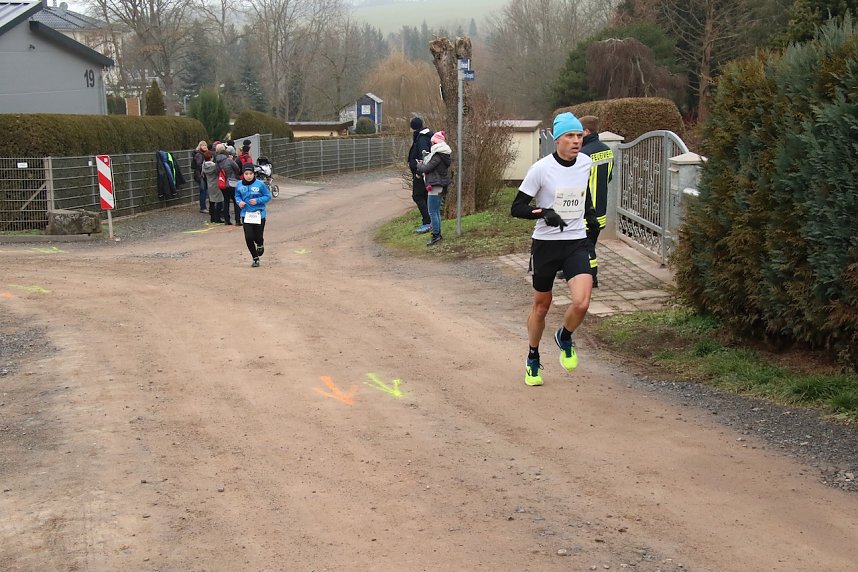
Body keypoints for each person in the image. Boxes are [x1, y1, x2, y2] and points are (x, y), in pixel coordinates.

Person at [510, 112, 600, 386]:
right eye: (570, 136)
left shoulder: (585, 163)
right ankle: (533, 357)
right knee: (541, 306)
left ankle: (565, 335)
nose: (576, 141)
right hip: (546, 245)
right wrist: (543, 213)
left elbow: (582, 194)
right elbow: (517, 208)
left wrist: (591, 213)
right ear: (557, 140)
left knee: (582, 302)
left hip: (576, 241)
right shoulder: (541, 169)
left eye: (579, 135)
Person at [579, 115, 614, 288]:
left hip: (587, 211)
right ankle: (576, 271)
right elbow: (609, 177)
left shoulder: (583, 155)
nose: (576, 138)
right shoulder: (607, 150)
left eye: (579, 134)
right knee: (589, 243)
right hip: (601, 208)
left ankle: (592, 278)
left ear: (586, 131)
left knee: (586, 246)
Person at [416, 130, 452, 246]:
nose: (431, 145)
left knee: (432, 211)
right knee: (435, 211)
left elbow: (426, 169)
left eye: (432, 143)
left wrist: (419, 164)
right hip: (440, 186)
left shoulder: (437, 156)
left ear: (436, 143)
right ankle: (438, 234)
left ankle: (436, 235)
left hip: (436, 186)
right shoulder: (443, 155)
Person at [235, 162, 272, 267]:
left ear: (253, 174)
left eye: (250, 173)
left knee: (258, 236)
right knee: (249, 237)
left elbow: (268, 196)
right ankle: (255, 258)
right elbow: (237, 196)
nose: (248, 176)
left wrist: (257, 200)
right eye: (246, 173)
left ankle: (260, 243)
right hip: (246, 215)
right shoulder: (239, 184)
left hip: (259, 214)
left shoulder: (260, 184)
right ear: (243, 174)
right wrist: (239, 202)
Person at [407, 116, 434, 234]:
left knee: (417, 196)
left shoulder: (422, 138)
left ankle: (428, 221)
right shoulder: (422, 136)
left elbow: (424, 156)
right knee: (425, 195)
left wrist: (419, 172)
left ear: (412, 127)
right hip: (423, 172)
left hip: (421, 173)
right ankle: (430, 220)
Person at [217, 144, 241, 225]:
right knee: (236, 201)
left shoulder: (216, 162)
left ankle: (227, 220)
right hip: (232, 182)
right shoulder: (229, 160)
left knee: (226, 201)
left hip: (222, 184)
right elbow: (237, 168)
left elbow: (216, 172)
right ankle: (238, 220)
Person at [201, 150, 225, 223]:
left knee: (211, 201)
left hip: (209, 184)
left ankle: (212, 217)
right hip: (216, 184)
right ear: (211, 157)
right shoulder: (215, 166)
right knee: (219, 201)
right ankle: (218, 218)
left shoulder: (204, 166)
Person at [192, 140, 209, 213]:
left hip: (202, 174)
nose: (204, 147)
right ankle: (203, 207)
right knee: (203, 190)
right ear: (200, 146)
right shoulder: (199, 154)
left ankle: (203, 206)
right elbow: (199, 165)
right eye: (203, 145)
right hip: (201, 175)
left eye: (205, 145)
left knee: (204, 190)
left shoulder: (202, 154)